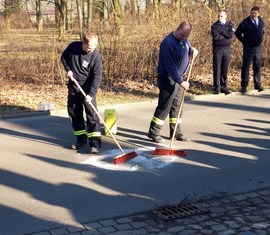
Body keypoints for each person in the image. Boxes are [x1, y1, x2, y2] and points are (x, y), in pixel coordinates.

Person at [147, 21, 198, 143]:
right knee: (165, 106)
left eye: (186, 36)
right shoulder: (168, 43)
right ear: (177, 30)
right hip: (168, 78)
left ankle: (176, 131)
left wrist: (192, 49)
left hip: (179, 79)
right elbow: (171, 68)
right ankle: (153, 132)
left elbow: (187, 46)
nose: (184, 38)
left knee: (177, 106)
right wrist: (181, 82)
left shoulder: (184, 39)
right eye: (182, 35)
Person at [61, 32, 102, 154]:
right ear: (83, 43)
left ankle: (95, 144)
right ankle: (81, 138)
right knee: (74, 114)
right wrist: (68, 70)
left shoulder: (95, 57)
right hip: (74, 87)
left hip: (88, 89)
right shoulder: (73, 47)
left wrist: (91, 94)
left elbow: (97, 77)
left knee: (92, 116)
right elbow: (63, 57)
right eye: (89, 46)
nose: (91, 49)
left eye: (94, 46)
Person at [235, 6, 265, 93]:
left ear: (258, 14)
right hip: (248, 48)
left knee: (257, 66)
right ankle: (244, 86)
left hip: (258, 48)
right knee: (246, 67)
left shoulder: (261, 21)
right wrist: (244, 41)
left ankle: (257, 84)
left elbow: (263, 31)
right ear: (250, 13)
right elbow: (237, 33)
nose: (254, 15)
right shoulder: (245, 22)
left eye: (255, 13)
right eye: (252, 13)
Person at [211, 10, 235, 95]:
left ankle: (224, 86)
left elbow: (230, 35)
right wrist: (225, 34)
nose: (220, 18)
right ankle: (216, 87)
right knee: (217, 68)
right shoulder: (214, 26)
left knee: (225, 68)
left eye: (221, 16)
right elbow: (216, 37)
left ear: (226, 16)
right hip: (218, 49)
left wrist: (221, 31)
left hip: (227, 49)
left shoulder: (230, 24)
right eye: (219, 16)